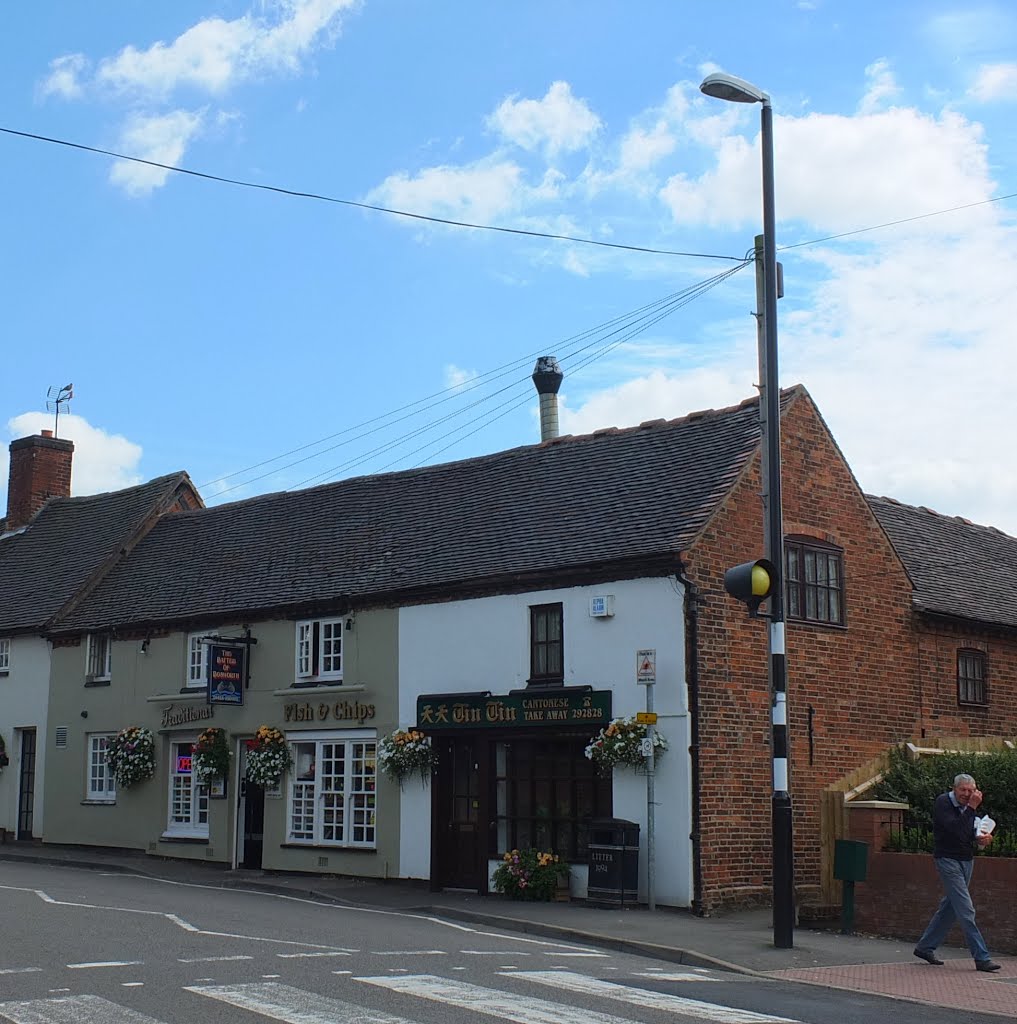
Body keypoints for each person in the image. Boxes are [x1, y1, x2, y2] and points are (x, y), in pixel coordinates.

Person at [913, 772, 1000, 972]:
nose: (967, 794)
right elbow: (954, 830)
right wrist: (971, 808)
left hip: (966, 860)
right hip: (947, 859)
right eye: (963, 790)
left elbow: (967, 834)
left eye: (971, 791)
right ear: (954, 789)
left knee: (951, 906)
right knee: (966, 909)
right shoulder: (943, 803)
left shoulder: (969, 808)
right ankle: (982, 957)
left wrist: (982, 840)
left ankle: (925, 947)